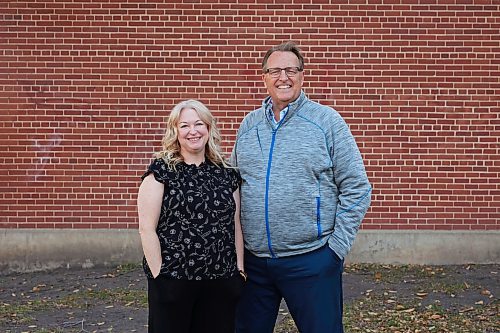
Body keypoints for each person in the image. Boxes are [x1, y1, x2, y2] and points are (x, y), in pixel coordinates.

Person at [232, 41, 372, 333]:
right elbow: (234, 185)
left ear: (302, 75)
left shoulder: (327, 121)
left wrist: (335, 250)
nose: (283, 77)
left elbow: (357, 187)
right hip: (255, 264)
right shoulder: (249, 126)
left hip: (312, 260)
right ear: (264, 77)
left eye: (291, 69)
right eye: (275, 70)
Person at [137, 99, 246, 333]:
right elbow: (147, 229)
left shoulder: (226, 175)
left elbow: (234, 224)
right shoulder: (160, 173)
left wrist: (239, 270)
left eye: (199, 124)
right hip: (174, 282)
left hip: (220, 283)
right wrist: (160, 277)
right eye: (184, 125)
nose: (193, 131)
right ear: (175, 131)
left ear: (208, 128)